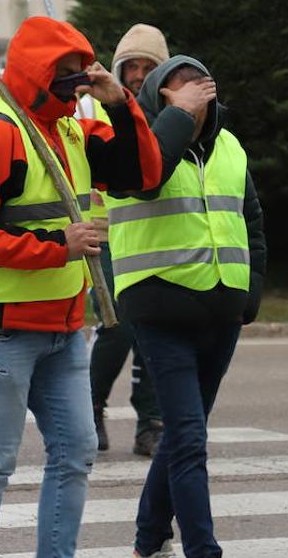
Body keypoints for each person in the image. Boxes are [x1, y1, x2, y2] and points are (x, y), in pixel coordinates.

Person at [0, 15, 164, 558]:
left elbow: (143, 173)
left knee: (77, 451)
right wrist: (56, 246)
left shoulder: (70, 129)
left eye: (81, 73)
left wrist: (117, 103)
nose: (75, 84)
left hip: (63, 329)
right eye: (66, 74)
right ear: (35, 73)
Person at [108, 56, 266, 558]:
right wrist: (175, 115)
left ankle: (148, 537)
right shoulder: (135, 149)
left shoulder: (229, 146)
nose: (194, 101)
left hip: (222, 311)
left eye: (199, 91)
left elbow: (253, 222)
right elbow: (149, 178)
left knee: (183, 433)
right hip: (160, 309)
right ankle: (204, 550)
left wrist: (251, 291)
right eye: (178, 94)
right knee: (190, 438)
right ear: (159, 99)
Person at [82, 23, 170, 457]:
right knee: (119, 326)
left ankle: (150, 421)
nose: (137, 74)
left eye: (146, 66)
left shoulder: (173, 115)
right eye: (130, 66)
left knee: (156, 329)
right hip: (107, 237)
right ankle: (90, 406)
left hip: (158, 236)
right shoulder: (94, 111)